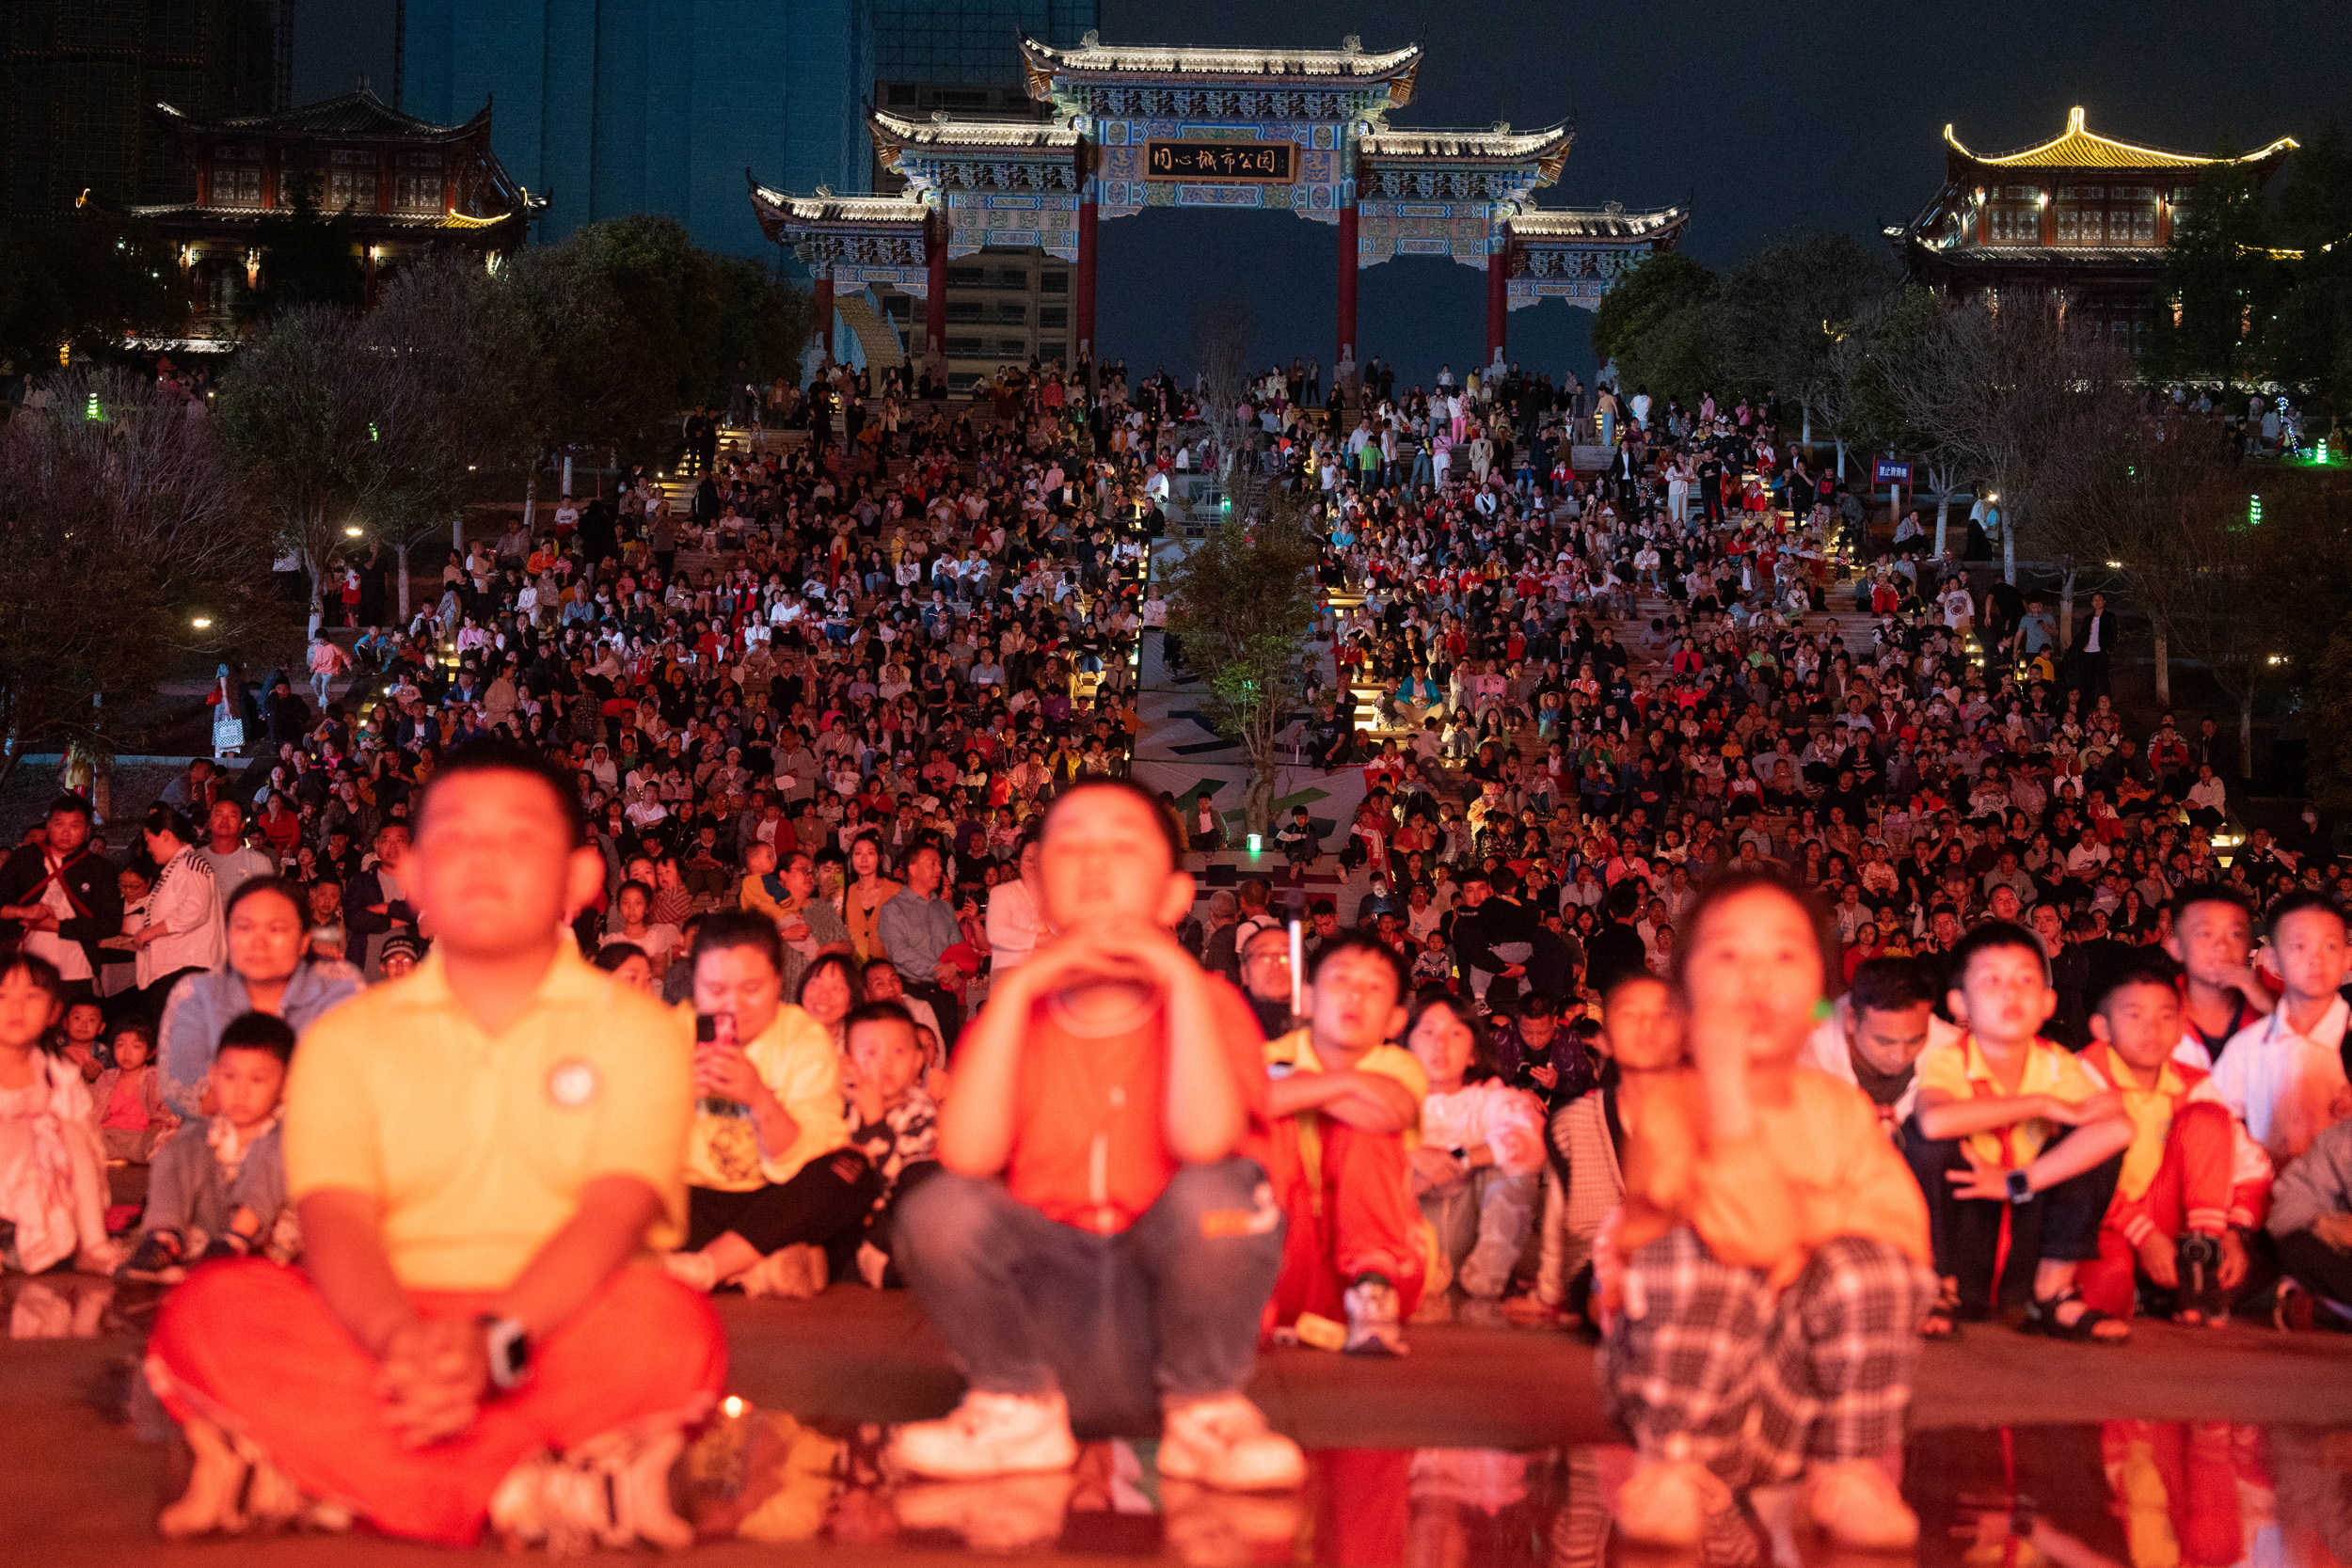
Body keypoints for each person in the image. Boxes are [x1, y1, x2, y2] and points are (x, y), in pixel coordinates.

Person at [144, 740, 723, 1548]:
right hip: (380, 1327)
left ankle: (309, 1474)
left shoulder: (639, 1031)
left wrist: (493, 1342)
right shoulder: (351, 1038)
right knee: (213, 1307)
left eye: (520, 840)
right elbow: (333, 1214)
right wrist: (401, 1342)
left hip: (549, 1328)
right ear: (412, 874)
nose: (484, 862)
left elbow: (613, 1211)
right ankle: (546, 1483)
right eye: (454, 838)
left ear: (579, 879)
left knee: (668, 1324)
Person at [886, 780, 1301, 1491]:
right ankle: (1013, 1408)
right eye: (1071, 847)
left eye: (1122, 846)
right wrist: (1015, 992)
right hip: (1047, 1328)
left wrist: (1177, 977)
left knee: (1226, 1189)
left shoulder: (1209, 1005)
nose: (1096, 863)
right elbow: (965, 1157)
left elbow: (1204, 1142)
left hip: (1166, 1329)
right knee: (936, 1205)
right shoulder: (1016, 1015)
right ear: (1043, 891)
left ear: (1174, 897)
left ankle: (1206, 1415)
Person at [1602, 870, 1934, 1551]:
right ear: (1686, 995)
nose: (1756, 976)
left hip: (1802, 1406)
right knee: (1695, 1247)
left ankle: (1848, 1472)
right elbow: (1736, 1235)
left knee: (1872, 1269)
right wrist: (1726, 1090)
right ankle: (1670, 1470)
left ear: (1820, 992)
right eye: (1727, 954)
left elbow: (1907, 1240)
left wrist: (1792, 1234)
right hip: (1684, 1394)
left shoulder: (1839, 1108)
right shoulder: (1670, 1106)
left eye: (1784, 954)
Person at [1907, 922, 2135, 1341]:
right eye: (1992, 980)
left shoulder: (2057, 1064)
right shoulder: (1948, 1059)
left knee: (2096, 1138)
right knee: (1923, 1137)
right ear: (1959, 1003)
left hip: (2026, 1218)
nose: (2011, 993)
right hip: (1964, 1226)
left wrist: (2016, 1182)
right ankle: (1938, 1288)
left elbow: (2118, 1128)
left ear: (2048, 1002)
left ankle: (2053, 1292)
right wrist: (2040, 1104)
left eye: (2025, 980)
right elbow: (1934, 1120)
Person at [660, 911, 872, 1297]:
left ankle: (710, 1267)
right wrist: (674, 1097)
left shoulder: (802, 1037)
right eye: (715, 989)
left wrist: (759, 1099)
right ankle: (754, 1266)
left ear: (779, 982)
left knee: (851, 1170)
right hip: (692, 1202)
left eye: (751, 988)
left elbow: (799, 1159)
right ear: (694, 985)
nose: (733, 1004)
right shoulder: (671, 1033)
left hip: (772, 1201)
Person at [2071, 957, 2271, 1326]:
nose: (2152, 1029)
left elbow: (2251, 1168)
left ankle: (2201, 1263)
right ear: (2102, 1027)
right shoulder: (2080, 1077)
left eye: (2165, 1017)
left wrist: (2235, 1232)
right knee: (2103, 1287)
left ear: (2181, 1028)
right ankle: (2150, 1293)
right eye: (2134, 1016)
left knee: (2207, 1121)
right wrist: (2143, 1235)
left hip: (2186, 1222)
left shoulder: (2195, 1085)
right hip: (2104, 1220)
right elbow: (2074, 1175)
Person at [1261, 934, 1427, 1354]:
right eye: (1341, 980)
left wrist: (1301, 1086)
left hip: (1381, 1268)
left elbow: (1389, 1113)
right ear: (1308, 998)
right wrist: (1353, 1083)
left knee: (1365, 1135)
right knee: (1266, 1130)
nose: (1355, 995)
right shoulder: (1271, 1053)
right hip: (1284, 1262)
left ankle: (1373, 1290)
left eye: (1374, 987)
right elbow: (1253, 1101)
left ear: (1394, 1021)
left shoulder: (1398, 1066)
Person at [1530, 974, 1682, 1323]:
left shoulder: (1707, 1116)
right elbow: (1555, 1216)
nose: (1646, 1026)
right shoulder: (1574, 1122)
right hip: (1596, 1263)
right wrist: (1549, 1292)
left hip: (1680, 1259)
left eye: (1661, 1015)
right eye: (1630, 1015)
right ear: (1605, 1041)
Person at [159, 876, 362, 1121]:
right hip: (217, 1146)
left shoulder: (339, 988)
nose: (259, 942)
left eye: (276, 929)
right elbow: (181, 1092)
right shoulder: (195, 993)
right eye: (244, 927)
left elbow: (343, 1091)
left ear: (304, 941)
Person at [119, 1011, 297, 1283]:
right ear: (214, 1076)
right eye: (230, 1077)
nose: (241, 1091)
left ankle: (234, 1245)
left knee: (276, 1150)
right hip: (214, 1230)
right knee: (181, 1144)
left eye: (257, 1080)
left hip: (267, 1232)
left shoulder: (284, 1136)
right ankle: (163, 1239)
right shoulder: (207, 1132)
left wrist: (237, 1237)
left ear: (285, 1085)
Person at [1405, 991, 1543, 1317]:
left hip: (1477, 1230)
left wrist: (1456, 1159)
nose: (1440, 1045)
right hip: (1410, 1222)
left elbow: (1527, 1138)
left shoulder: (1490, 1099)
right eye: (1427, 1032)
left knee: (1509, 1163)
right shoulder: (1389, 1099)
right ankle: (1414, 1267)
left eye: (1454, 1033)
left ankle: (1489, 1268)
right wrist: (1414, 1157)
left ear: (1473, 1053)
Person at [2206, 891, 2352, 1166]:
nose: (2316, 959)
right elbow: (2214, 1123)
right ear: (2272, 959)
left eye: (2330, 947)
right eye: (2299, 946)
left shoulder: (2348, 1041)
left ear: (2348, 957)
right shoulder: (2249, 1046)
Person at [0, 953, 115, 1275]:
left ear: (53, 1013)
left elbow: (86, 1151)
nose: (16, 1007)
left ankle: (92, 1246)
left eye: (31, 996)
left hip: (40, 1208)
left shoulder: (59, 1076)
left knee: (75, 1135)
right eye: (3, 996)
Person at [839, 1000, 940, 1289]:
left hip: (891, 1224)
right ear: (849, 1062)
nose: (884, 1063)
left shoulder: (920, 1112)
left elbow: (894, 1184)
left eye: (897, 1051)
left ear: (918, 1061)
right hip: (846, 1223)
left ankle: (883, 1260)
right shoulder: (838, 1108)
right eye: (870, 1052)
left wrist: (873, 1121)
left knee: (922, 1176)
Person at [1800, 957, 1955, 1137]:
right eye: (1884, 1041)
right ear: (1851, 1018)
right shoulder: (1801, 1051)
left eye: (1915, 1041)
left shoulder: (1953, 1048)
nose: (1900, 1056)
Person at [0, 795, 124, 1000]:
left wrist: (57, 926)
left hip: (78, 969)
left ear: (87, 830)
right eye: (59, 824)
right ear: (49, 826)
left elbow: (110, 924)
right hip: (27, 967)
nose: (66, 832)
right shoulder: (25, 859)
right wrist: (22, 911)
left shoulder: (99, 868)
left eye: (75, 826)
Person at [2163, 885, 2274, 1069]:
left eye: (2235, 934)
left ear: (2249, 945)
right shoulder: (2146, 1013)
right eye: (2205, 933)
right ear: (2176, 948)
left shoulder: (2276, 1010)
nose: (2222, 946)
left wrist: (2273, 1012)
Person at [131, 805, 226, 1016]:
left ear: (164, 836)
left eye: (149, 842)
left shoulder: (191, 864)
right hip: (171, 973)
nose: (148, 849)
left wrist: (151, 932)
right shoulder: (177, 868)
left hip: (185, 972)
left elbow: (195, 909)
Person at [876, 844, 967, 1051]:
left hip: (945, 996)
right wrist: (942, 970)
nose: (938, 870)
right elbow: (900, 953)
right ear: (912, 868)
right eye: (932, 863)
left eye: (940, 864)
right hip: (912, 994)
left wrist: (955, 967)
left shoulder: (944, 909)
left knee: (947, 1059)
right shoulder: (893, 909)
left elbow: (958, 947)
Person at [2267, 1116, 2352, 1329]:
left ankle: (2324, 1313)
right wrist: (2328, 1226)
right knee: (2295, 1245)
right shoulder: (2341, 1141)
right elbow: (2286, 1214)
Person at [89, 1021, 176, 1163]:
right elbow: (91, 1110)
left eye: (136, 1046)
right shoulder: (107, 1077)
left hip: (142, 1136)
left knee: (165, 1139)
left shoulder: (155, 1076)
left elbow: (165, 1110)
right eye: (120, 1045)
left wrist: (159, 1126)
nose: (127, 1052)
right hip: (109, 1135)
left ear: (150, 1052)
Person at [195, 800, 278, 908]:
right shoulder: (194, 860)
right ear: (210, 822)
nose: (225, 820)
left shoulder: (258, 862)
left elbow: (268, 903)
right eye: (219, 815)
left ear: (241, 825)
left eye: (232, 816)